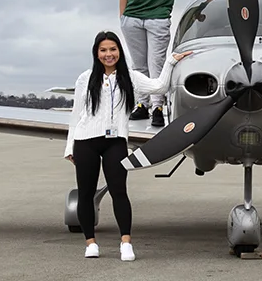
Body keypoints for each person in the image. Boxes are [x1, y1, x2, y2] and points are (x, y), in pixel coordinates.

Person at [65, 30, 193, 261]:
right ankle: (90, 243)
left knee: (119, 191)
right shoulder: (85, 78)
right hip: (85, 141)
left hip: (115, 142)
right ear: (96, 53)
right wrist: (69, 147)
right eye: (103, 50)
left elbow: (160, 87)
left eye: (112, 49)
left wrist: (171, 61)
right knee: (85, 193)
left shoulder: (130, 77)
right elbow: (76, 115)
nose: (108, 54)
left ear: (119, 52)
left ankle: (125, 243)